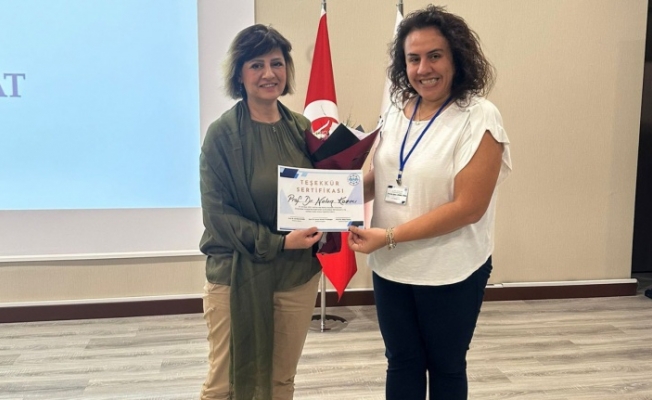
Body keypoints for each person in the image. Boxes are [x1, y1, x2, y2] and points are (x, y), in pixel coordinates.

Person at [348, 5, 512, 400]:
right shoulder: (396, 110)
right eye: (413, 58)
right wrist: (327, 196)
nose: (424, 69)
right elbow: (383, 178)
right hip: (391, 267)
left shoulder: (479, 117)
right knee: (401, 362)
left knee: (446, 366)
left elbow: (468, 207)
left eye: (435, 55)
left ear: (457, 57)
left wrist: (389, 236)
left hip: (450, 270)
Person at [198, 24, 323, 400]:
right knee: (223, 385)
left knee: (281, 381)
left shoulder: (302, 128)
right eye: (257, 65)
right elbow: (218, 217)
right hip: (235, 277)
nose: (269, 73)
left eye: (277, 63)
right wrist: (280, 243)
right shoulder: (222, 135)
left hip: (296, 277)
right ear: (240, 74)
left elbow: (320, 193)